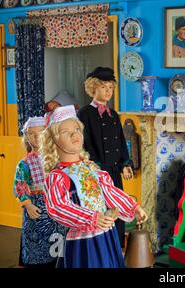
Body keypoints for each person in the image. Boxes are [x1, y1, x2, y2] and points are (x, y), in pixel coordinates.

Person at [40, 105, 148, 268]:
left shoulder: (91, 168)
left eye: (77, 129)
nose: (74, 134)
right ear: (53, 141)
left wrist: (133, 207)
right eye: (64, 132)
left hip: (106, 234)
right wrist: (93, 217)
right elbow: (58, 206)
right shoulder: (57, 177)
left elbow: (109, 191)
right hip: (83, 241)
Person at [77, 67, 134, 248]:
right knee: (101, 208)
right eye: (103, 87)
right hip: (96, 172)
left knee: (116, 207)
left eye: (111, 87)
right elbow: (85, 143)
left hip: (114, 172)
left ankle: (116, 246)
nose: (108, 91)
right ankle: (101, 247)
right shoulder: (85, 113)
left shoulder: (113, 114)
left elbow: (121, 141)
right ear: (93, 88)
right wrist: (95, 166)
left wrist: (125, 163)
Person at [13, 116, 66, 268]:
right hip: (36, 209)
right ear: (26, 137)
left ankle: (58, 263)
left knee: (57, 241)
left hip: (56, 207)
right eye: (31, 134)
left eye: (41, 132)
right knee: (36, 243)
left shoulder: (56, 158)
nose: (36, 137)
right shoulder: (24, 164)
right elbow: (20, 185)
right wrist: (28, 204)